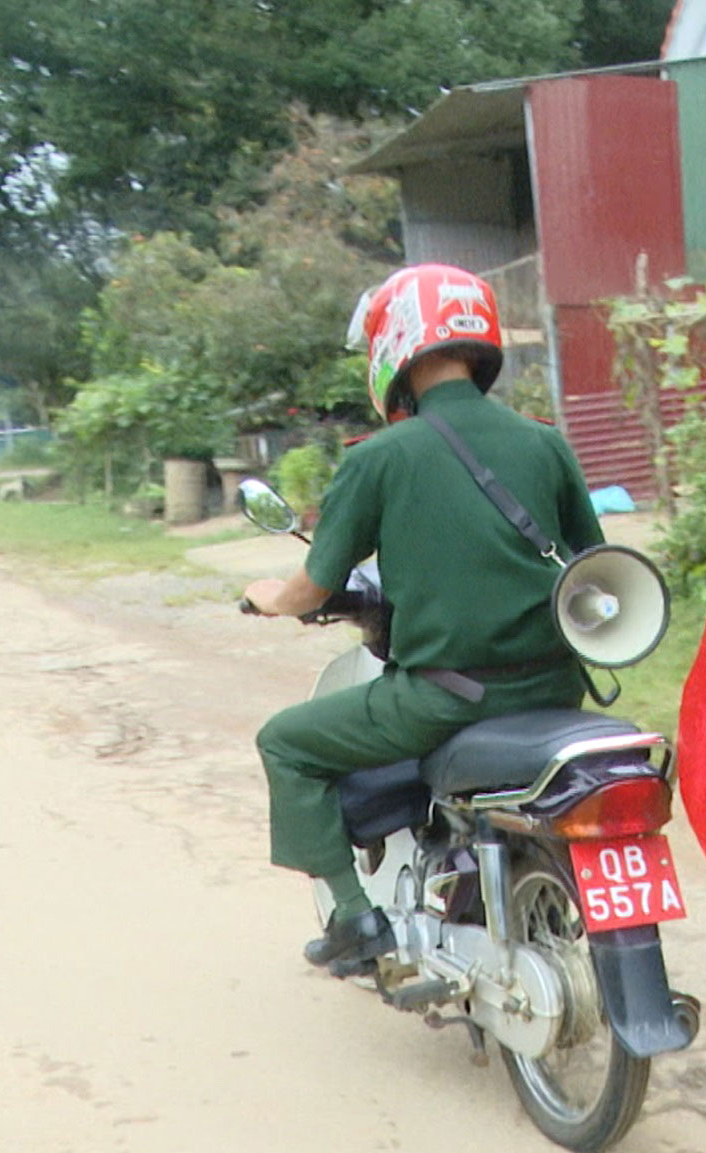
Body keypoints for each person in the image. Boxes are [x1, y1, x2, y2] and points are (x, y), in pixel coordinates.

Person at [243, 264, 604, 975]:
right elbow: (595, 569)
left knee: (284, 741)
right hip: (557, 688)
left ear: (393, 345)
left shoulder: (380, 457)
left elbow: (317, 584)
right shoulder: (545, 443)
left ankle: (354, 917)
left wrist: (269, 596)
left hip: (442, 697)